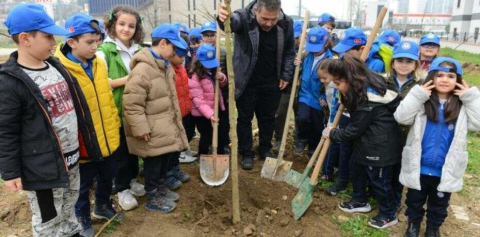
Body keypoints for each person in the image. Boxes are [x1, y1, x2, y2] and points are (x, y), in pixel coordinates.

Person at [0, 3, 100, 236]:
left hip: (71, 160)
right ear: (25, 38)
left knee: (69, 206)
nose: (54, 42)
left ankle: (71, 231)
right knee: (49, 218)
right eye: (47, 36)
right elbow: (6, 131)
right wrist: (11, 172)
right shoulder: (10, 82)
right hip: (42, 170)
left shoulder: (55, 65)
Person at [54, 14, 123, 237]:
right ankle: (81, 215)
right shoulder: (61, 71)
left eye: (98, 41)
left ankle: (102, 205)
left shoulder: (99, 63)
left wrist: (114, 123)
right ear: (71, 41)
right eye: (89, 42)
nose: (95, 46)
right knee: (81, 185)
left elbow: (107, 98)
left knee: (108, 175)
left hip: (107, 137)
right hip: (83, 142)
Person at [394, 57, 480, 237]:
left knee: (439, 204)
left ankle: (433, 228)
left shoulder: (462, 106)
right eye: (440, 75)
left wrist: (470, 97)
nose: (444, 80)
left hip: (445, 167)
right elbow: (401, 117)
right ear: (431, 76)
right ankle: (413, 225)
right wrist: (417, 95)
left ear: (458, 81)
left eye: (450, 76)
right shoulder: (422, 101)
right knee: (414, 200)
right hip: (420, 165)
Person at [324, 55, 403, 229]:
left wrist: (333, 133)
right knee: (356, 169)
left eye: (338, 84)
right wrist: (344, 97)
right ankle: (360, 200)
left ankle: (388, 214)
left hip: (380, 148)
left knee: (380, 183)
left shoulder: (368, 101)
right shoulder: (359, 91)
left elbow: (354, 130)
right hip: (366, 144)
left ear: (351, 80)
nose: (336, 87)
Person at [218, 0, 296, 170]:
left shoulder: (286, 23)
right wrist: (224, 17)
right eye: (265, 19)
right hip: (246, 81)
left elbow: (290, 50)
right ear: (255, 11)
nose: (269, 23)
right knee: (245, 118)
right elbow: (231, 23)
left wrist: (286, 74)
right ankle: (246, 153)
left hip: (272, 81)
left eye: (273, 19)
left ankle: (265, 149)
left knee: (268, 118)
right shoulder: (244, 18)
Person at [123, 23, 189, 213]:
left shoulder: (164, 66)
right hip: (151, 130)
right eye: (174, 47)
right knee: (153, 164)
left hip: (165, 126)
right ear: (162, 43)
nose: (175, 52)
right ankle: (152, 196)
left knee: (164, 162)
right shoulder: (143, 69)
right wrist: (140, 128)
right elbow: (132, 103)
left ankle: (161, 189)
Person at [97, 5, 145, 211]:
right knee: (121, 152)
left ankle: (132, 179)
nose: (126, 29)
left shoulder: (139, 49)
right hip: (117, 108)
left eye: (131, 26)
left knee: (134, 149)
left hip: (136, 108)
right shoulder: (104, 51)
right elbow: (102, 82)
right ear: (113, 25)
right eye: (122, 24)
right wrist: (128, 79)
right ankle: (121, 188)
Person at [294, 27, 333, 158]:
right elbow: (299, 73)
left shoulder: (330, 60)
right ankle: (302, 139)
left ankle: (313, 146)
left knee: (317, 124)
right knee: (302, 118)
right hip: (304, 94)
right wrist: (296, 65)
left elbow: (330, 82)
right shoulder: (305, 55)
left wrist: (323, 95)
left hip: (318, 97)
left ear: (326, 43)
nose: (314, 50)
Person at [318, 59, 354, 194]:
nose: (323, 80)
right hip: (337, 118)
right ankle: (334, 175)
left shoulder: (339, 85)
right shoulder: (332, 85)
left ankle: (333, 174)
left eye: (325, 77)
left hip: (343, 121)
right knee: (340, 149)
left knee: (340, 149)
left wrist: (331, 124)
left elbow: (335, 105)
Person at [189, 44, 228, 155]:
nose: (209, 67)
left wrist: (221, 78)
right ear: (199, 62)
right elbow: (198, 100)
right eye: (206, 64)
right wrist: (210, 115)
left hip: (216, 108)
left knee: (220, 134)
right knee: (206, 135)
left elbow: (223, 85)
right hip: (202, 114)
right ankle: (203, 155)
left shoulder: (213, 71)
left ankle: (220, 155)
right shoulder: (194, 77)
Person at [165, 37, 192, 190]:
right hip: (171, 116)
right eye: (180, 57)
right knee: (170, 147)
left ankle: (175, 168)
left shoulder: (181, 68)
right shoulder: (168, 68)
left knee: (178, 146)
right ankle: (168, 173)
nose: (182, 60)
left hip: (181, 113)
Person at [273, 19, 303, 151]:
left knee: (300, 116)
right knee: (280, 114)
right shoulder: (284, 48)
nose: (295, 40)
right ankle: (279, 139)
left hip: (301, 89)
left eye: (298, 37)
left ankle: (299, 139)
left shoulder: (308, 50)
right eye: (294, 37)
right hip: (286, 87)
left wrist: (301, 62)